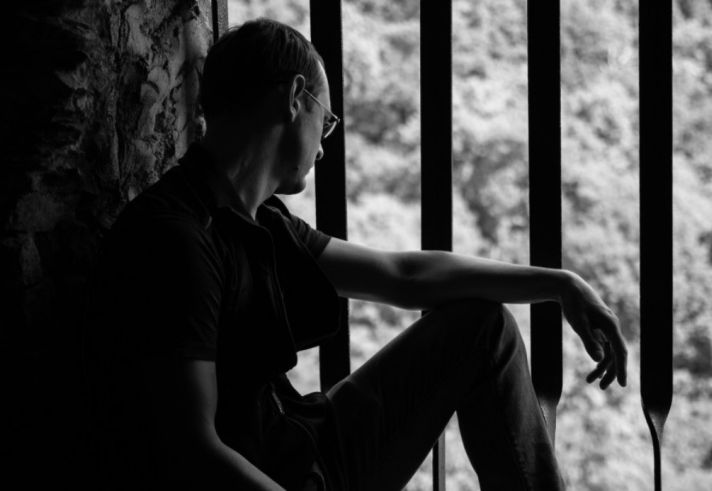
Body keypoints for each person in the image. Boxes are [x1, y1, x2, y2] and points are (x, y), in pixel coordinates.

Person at [83, 18, 628, 491]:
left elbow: (404, 275)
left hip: (303, 442)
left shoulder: (259, 220)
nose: (324, 143)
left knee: (483, 329)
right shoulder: (177, 238)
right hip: (288, 477)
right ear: (295, 96)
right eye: (326, 118)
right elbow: (192, 451)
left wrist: (560, 284)